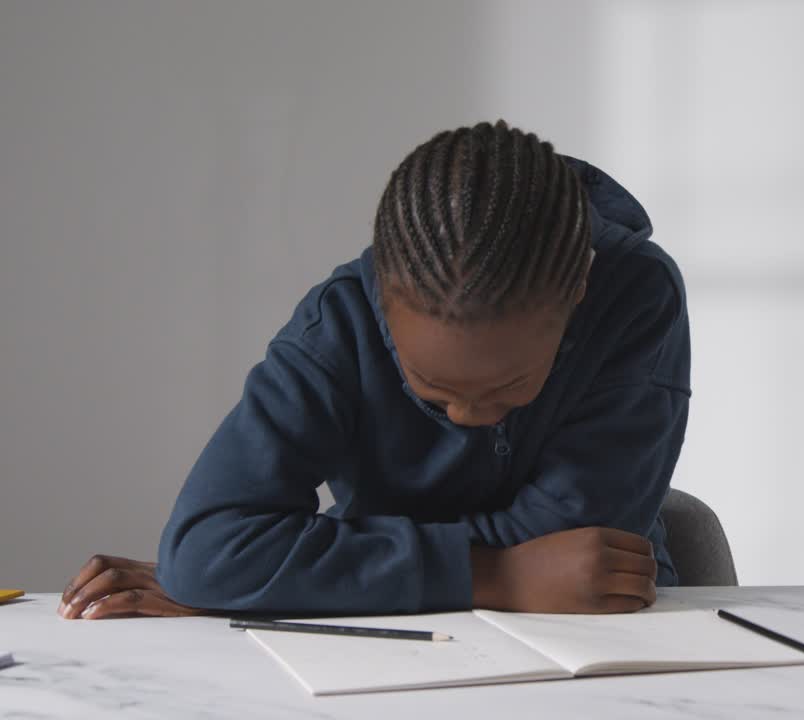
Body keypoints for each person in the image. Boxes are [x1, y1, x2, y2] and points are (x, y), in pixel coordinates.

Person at [56, 120, 691, 620]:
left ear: (577, 287)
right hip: (381, 637)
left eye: (509, 387)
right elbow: (208, 552)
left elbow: (576, 543)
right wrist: (498, 575)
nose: (470, 416)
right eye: (437, 394)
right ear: (382, 297)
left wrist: (293, 570)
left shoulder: (636, 293)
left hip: (598, 623)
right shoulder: (339, 322)